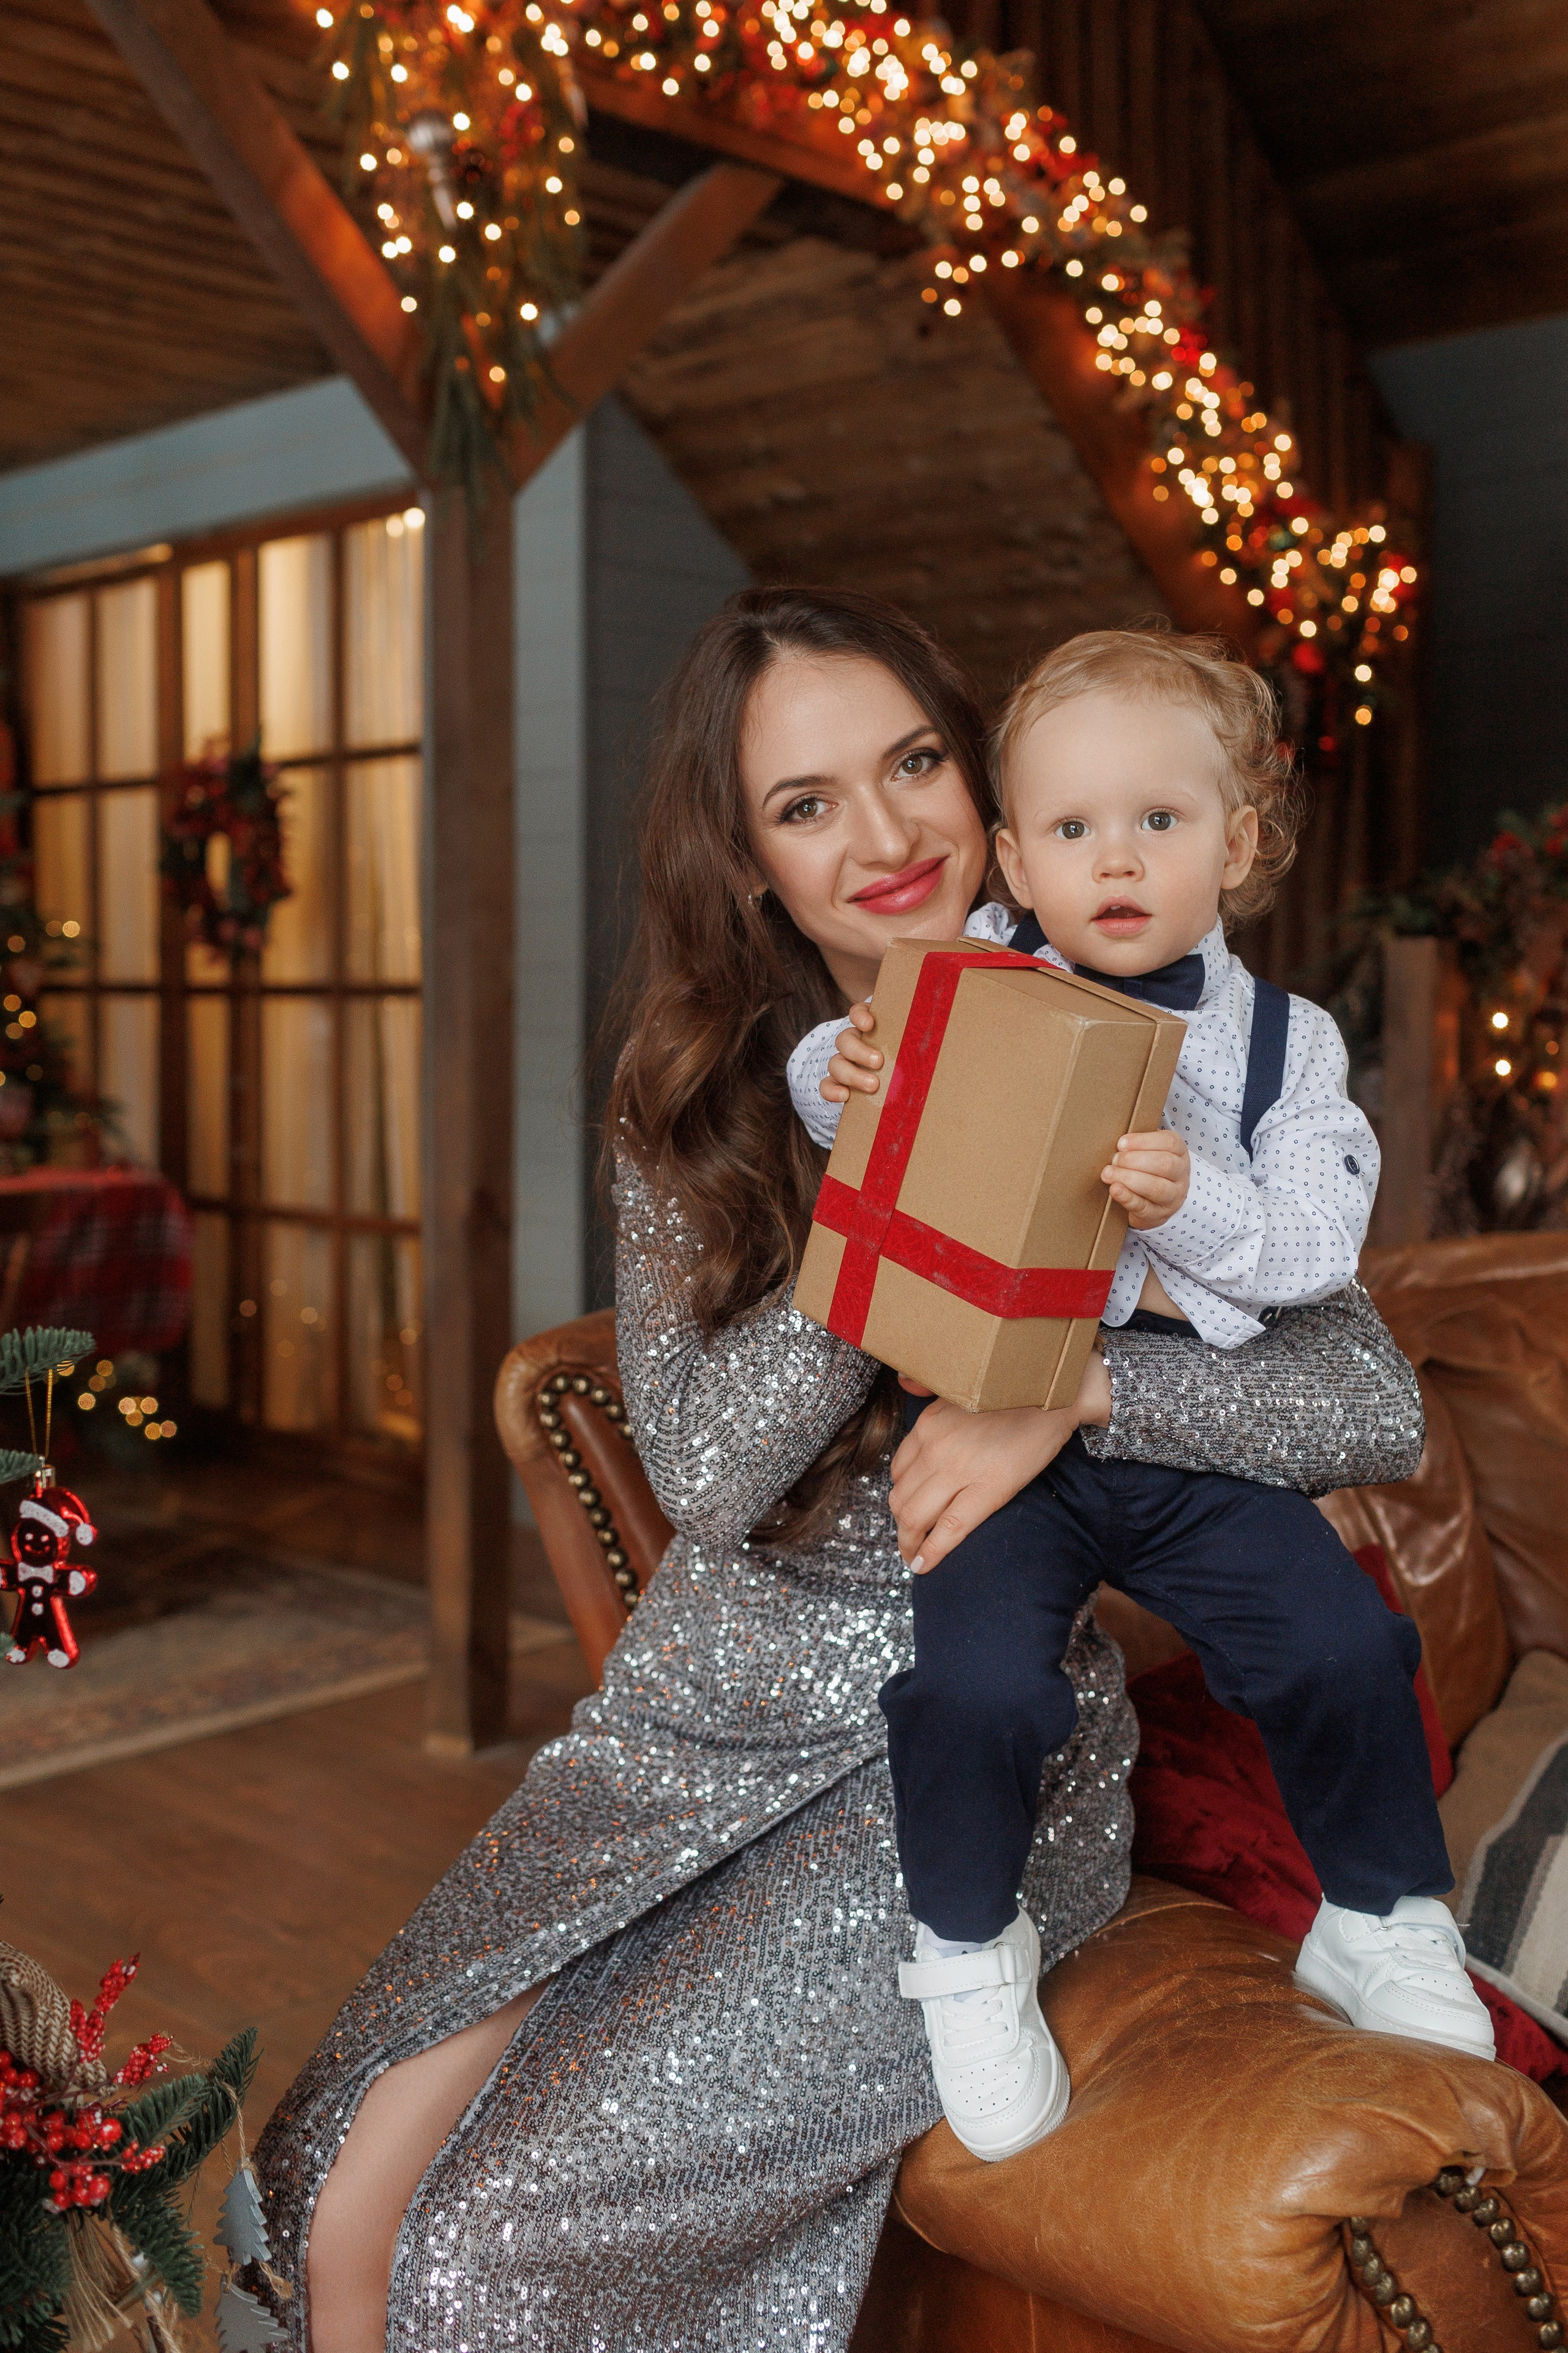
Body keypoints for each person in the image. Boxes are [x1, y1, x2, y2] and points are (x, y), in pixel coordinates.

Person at [254, 590, 1427, 2353]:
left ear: (994, 789)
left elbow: (1369, 1394)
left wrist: (1077, 1389)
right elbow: (716, 1478)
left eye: (914, 765)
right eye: (808, 805)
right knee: (330, 2172)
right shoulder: (702, 1101)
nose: (885, 839)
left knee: (486, 2248)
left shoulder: (1149, 1029)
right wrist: (894, 1175)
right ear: (748, 864)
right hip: (698, 1708)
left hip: (949, 1742)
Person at [786, 626, 1492, 2167]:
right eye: (1068, 829)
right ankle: (966, 1956)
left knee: (1345, 1639)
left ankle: (1379, 1915)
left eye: (1156, 822)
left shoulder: (1281, 1046)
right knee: (979, 1688)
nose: (1113, 861)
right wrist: (833, 1071)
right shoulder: (975, 974)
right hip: (991, 1419)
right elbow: (846, 1082)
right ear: (1015, 868)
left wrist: (1189, 1208)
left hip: (1183, 1428)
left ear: (1236, 843)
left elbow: (1311, 1252)